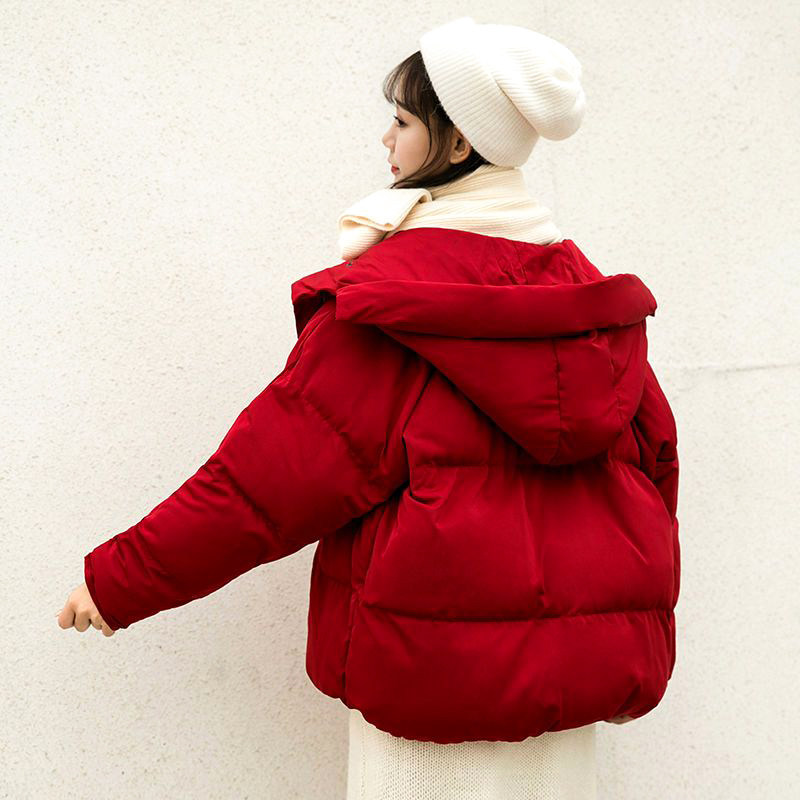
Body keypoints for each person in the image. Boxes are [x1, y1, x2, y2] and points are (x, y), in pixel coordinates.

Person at [57, 16, 680, 800]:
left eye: (404, 121)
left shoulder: (396, 304)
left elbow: (262, 484)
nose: (386, 139)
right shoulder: (588, 298)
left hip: (430, 693)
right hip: (574, 692)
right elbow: (656, 479)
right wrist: (624, 628)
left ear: (459, 141)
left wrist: (120, 580)